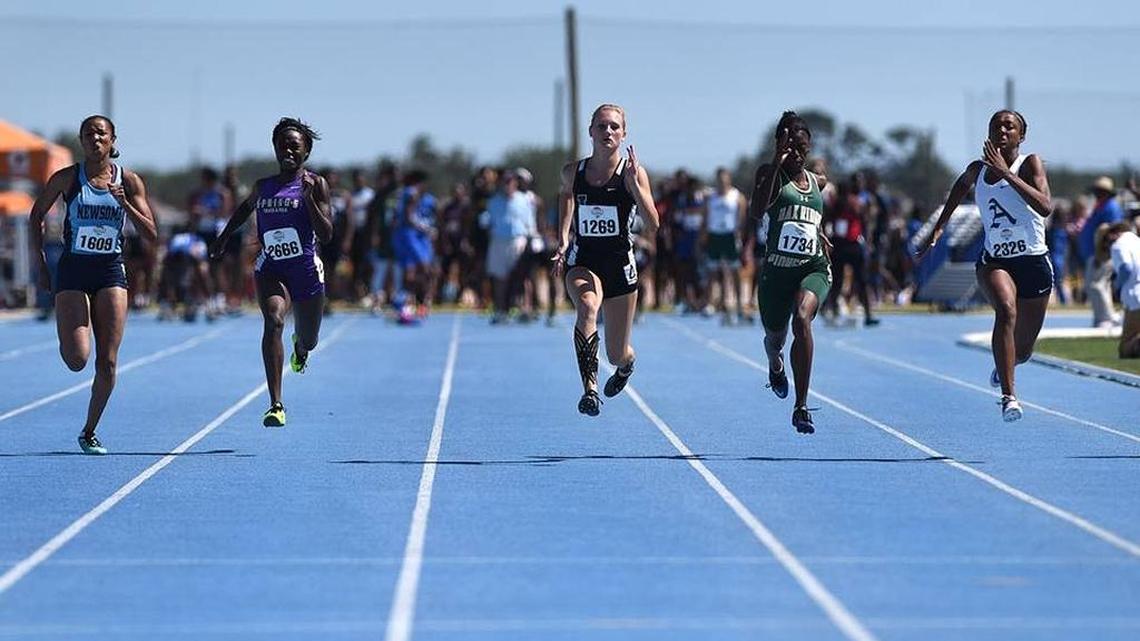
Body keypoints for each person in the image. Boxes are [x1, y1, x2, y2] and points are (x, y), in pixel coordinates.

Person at [28, 114, 158, 454]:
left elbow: (151, 233)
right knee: (77, 359)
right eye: (88, 134)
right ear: (81, 141)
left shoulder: (129, 181)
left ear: (112, 140)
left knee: (108, 362)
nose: (95, 138)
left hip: (110, 271)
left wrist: (125, 203)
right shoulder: (67, 178)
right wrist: (40, 263)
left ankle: (89, 431)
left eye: (101, 133)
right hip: (74, 270)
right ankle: (71, 324)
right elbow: (36, 214)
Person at [918, 110, 1053, 422]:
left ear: (1021, 136)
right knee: (1005, 310)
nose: (1002, 131)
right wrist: (940, 226)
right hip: (995, 260)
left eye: (1010, 126)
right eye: (996, 126)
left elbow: (1045, 206)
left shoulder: (1030, 164)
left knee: (1024, 351)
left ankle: (1008, 363)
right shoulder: (977, 169)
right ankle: (1009, 397)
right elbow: (958, 189)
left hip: (1033, 262)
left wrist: (1006, 174)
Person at [210, 118, 332, 427]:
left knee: (310, 340)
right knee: (274, 320)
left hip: (306, 270)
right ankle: (276, 404)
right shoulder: (263, 186)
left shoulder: (316, 184)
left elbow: (327, 233)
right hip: (272, 268)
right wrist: (224, 237)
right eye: (282, 144)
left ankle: (300, 348)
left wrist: (308, 200)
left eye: (294, 145)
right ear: (275, 148)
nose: (288, 150)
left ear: (306, 151)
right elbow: (244, 209)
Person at [553, 103, 659, 416]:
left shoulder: (633, 172)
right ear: (591, 131)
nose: (607, 132)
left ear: (624, 134)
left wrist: (635, 187)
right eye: (601, 126)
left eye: (614, 127)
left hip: (620, 265)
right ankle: (590, 390)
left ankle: (627, 365)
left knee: (616, 353)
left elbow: (653, 224)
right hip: (584, 259)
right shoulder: (573, 172)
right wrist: (563, 237)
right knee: (587, 306)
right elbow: (566, 195)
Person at [751, 111, 833, 434]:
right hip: (776, 274)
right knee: (775, 340)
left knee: (801, 319)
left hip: (813, 268)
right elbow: (757, 210)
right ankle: (775, 364)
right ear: (779, 144)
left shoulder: (817, 182)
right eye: (790, 147)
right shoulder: (768, 173)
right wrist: (776, 160)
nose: (796, 155)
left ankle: (801, 406)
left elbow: (810, 213)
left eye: (802, 149)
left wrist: (819, 232)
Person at [822, 173, 880, 326]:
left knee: (856, 280)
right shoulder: (848, 202)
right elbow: (827, 219)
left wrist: (868, 241)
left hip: (849, 244)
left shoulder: (853, 202)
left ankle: (864, 313)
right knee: (842, 280)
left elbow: (865, 222)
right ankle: (834, 310)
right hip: (843, 244)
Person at [485, 170, 536, 324]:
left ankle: (526, 309)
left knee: (523, 276)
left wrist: (531, 239)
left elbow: (530, 221)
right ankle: (501, 310)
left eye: (510, 181)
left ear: (515, 183)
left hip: (518, 241)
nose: (508, 185)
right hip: (499, 241)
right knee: (500, 278)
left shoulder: (524, 200)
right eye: (505, 182)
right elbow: (489, 222)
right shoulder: (493, 201)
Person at [703, 167, 747, 325]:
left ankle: (739, 304)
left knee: (735, 271)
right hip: (715, 235)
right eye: (719, 179)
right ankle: (710, 303)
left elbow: (742, 218)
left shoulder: (737, 196)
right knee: (712, 271)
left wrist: (740, 235)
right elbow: (705, 216)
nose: (722, 182)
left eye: (724, 178)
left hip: (730, 236)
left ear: (729, 179)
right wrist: (703, 236)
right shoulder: (711, 197)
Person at [1079, 176, 1124, 326]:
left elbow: (1112, 232)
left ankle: (1106, 318)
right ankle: (1103, 317)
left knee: (1096, 285)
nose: (1096, 193)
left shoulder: (1111, 207)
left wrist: (1101, 254)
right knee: (1099, 285)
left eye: (1099, 191)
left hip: (1102, 253)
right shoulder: (1101, 205)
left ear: (1106, 192)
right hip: (1095, 253)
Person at [1105, 221, 1140, 357]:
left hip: (1135, 296)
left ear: (1114, 234)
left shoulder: (1118, 245)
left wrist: (1116, 286)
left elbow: (1126, 268)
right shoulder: (1137, 241)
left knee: (1125, 349)